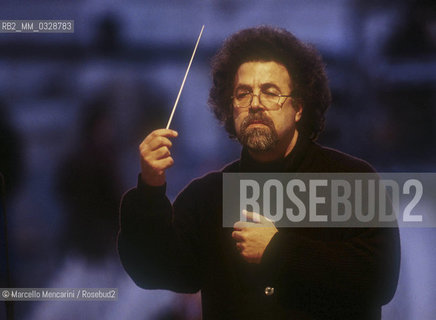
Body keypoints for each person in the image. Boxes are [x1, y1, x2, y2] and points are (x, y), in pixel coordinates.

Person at [118, 26, 400, 319]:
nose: (254, 104)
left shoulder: (352, 180)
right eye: (243, 94)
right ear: (231, 109)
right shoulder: (209, 196)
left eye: (270, 92)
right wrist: (150, 189)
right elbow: (153, 271)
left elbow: (380, 280)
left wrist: (277, 250)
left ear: (299, 107)